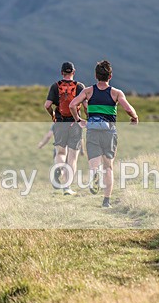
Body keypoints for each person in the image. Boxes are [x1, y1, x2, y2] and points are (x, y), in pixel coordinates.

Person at [69, 60, 138, 208]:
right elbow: (128, 108)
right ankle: (106, 201)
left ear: (95, 75)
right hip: (109, 132)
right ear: (110, 76)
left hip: (93, 131)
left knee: (94, 164)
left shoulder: (88, 91)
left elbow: (72, 105)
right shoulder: (116, 93)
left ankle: (94, 173)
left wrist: (79, 119)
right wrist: (134, 117)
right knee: (108, 167)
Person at [44, 62, 87, 195]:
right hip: (75, 123)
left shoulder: (55, 86)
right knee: (72, 157)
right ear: (74, 72)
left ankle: (58, 169)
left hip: (59, 123)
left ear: (62, 72)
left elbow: (47, 105)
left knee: (60, 152)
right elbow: (86, 106)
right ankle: (67, 188)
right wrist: (86, 119)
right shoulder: (80, 87)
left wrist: (53, 115)